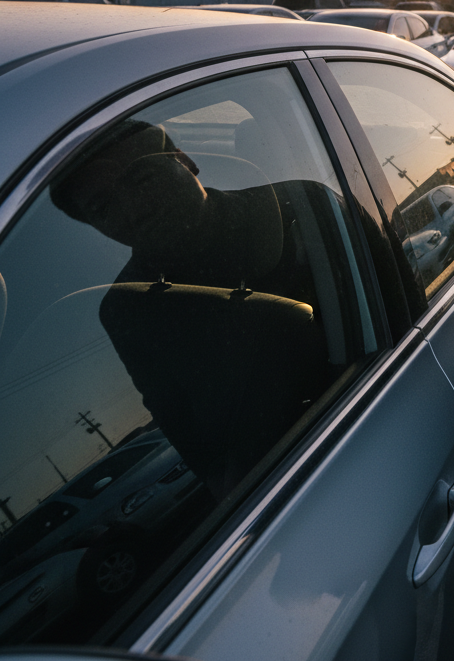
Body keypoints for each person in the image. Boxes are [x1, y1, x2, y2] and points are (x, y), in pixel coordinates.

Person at [51, 120, 330, 499]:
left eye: (142, 177)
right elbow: (189, 435)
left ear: (185, 160)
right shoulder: (127, 310)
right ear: (98, 228)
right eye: (103, 207)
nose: (132, 208)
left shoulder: (300, 206)